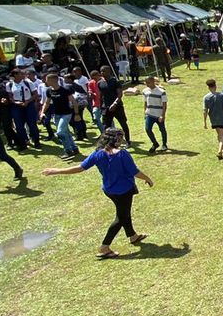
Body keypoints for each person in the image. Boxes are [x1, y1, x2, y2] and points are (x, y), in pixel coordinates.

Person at [42, 127, 152, 258]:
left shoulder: (98, 154)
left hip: (109, 190)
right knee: (121, 217)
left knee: (123, 212)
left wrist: (57, 171)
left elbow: (79, 168)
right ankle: (104, 247)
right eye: (120, 137)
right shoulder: (122, 154)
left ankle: (133, 236)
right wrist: (148, 179)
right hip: (124, 191)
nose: (122, 140)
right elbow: (135, 172)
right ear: (115, 139)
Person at [40, 72, 82, 160]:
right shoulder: (49, 91)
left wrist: (77, 114)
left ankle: (68, 151)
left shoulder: (65, 90)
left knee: (60, 132)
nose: (45, 81)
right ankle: (74, 149)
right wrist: (42, 112)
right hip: (57, 115)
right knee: (66, 132)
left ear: (52, 80)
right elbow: (47, 103)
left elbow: (74, 102)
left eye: (47, 79)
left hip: (66, 114)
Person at [7, 68, 42, 150]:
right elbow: (10, 96)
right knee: (19, 125)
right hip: (17, 106)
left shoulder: (28, 82)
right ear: (15, 75)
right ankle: (23, 142)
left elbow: (35, 94)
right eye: (21, 74)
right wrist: (15, 102)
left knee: (32, 124)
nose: (23, 75)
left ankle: (36, 141)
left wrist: (28, 101)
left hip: (28, 105)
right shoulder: (9, 84)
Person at [98, 66, 130, 143]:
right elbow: (101, 96)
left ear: (109, 72)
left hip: (117, 107)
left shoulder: (115, 81)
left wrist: (115, 104)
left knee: (123, 124)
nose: (102, 73)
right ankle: (108, 143)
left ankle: (128, 141)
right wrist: (101, 107)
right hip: (106, 107)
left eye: (104, 71)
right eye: (101, 71)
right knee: (106, 126)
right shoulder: (99, 83)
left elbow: (119, 94)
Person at [203, 79, 223, 160]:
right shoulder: (221, 95)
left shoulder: (206, 97)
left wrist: (205, 122)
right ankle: (220, 151)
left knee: (219, 134)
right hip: (222, 118)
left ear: (208, 87)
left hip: (213, 119)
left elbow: (205, 110)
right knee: (222, 136)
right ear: (215, 86)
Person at [142, 75, 169, 152]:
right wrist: (145, 113)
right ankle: (155, 143)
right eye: (146, 83)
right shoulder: (145, 91)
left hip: (158, 114)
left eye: (149, 82)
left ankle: (164, 144)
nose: (147, 84)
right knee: (148, 129)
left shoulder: (161, 92)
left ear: (153, 82)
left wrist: (162, 115)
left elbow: (164, 105)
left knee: (162, 129)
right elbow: (145, 102)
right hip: (149, 114)